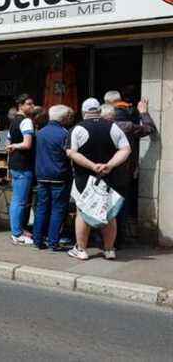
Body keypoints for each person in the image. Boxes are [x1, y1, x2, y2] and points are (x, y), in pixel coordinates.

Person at [67, 98, 131, 261]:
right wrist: (109, 165)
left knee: (82, 212)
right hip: (108, 177)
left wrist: (92, 166)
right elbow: (126, 149)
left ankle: (81, 249)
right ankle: (109, 249)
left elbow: (72, 153)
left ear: (83, 112)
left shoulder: (77, 128)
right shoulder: (113, 126)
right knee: (109, 213)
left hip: (84, 178)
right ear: (99, 111)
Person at [102, 92, 158, 247]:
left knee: (102, 205)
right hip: (123, 172)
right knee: (119, 206)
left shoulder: (98, 126)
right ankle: (118, 240)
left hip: (101, 171)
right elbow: (149, 129)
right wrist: (144, 112)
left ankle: (102, 239)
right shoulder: (127, 125)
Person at [33, 105, 74, 251]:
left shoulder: (40, 133)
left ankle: (37, 239)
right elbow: (69, 155)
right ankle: (53, 242)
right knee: (57, 209)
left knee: (42, 208)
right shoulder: (65, 134)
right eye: (69, 116)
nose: (70, 119)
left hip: (42, 175)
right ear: (63, 118)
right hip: (60, 176)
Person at [6, 94, 36, 245]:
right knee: (20, 200)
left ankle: (18, 229)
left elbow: (9, 140)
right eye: (29, 104)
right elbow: (27, 144)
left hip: (15, 164)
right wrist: (15, 146)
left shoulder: (13, 122)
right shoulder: (26, 121)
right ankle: (17, 233)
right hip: (24, 165)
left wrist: (12, 146)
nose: (32, 106)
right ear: (21, 105)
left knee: (18, 200)